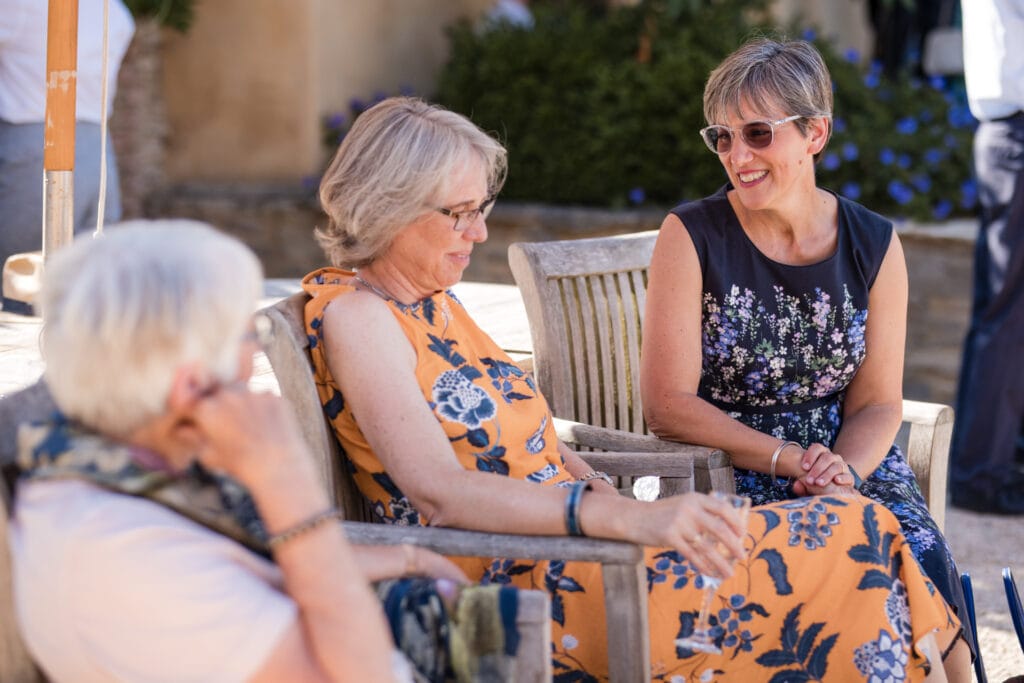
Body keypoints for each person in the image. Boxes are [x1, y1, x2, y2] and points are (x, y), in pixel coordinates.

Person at [304, 95, 967, 680]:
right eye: (460, 214)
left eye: (483, 210)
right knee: (850, 533)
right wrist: (625, 515)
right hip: (532, 580)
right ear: (388, 207)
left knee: (858, 525)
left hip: (586, 549)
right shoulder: (360, 316)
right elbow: (438, 490)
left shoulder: (435, 303)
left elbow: (520, 433)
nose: (479, 232)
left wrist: (583, 473)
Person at [6, 221, 482, 683]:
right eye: (248, 335)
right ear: (190, 382)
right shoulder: (126, 553)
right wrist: (287, 484)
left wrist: (407, 559)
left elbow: (260, 567)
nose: (255, 354)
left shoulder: (118, 464)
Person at [639, 38, 973, 678]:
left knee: (920, 550)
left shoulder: (873, 243)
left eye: (759, 134)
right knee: (835, 555)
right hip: (726, 462)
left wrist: (840, 469)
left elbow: (877, 401)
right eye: (723, 138)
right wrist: (792, 461)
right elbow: (666, 406)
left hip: (845, 456)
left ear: (815, 132)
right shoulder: (692, 234)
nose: (739, 156)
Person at [949, 0, 1024, 515]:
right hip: (1016, 132)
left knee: (1006, 308)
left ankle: (992, 466)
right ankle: (982, 475)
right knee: (1006, 310)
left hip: (1010, 134)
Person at [0, 0, 134, 271]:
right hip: (98, 151)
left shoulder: (21, 5)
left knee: (17, 280)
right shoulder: (115, 10)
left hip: (37, 143)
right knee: (82, 283)